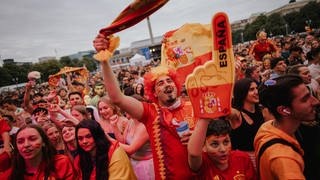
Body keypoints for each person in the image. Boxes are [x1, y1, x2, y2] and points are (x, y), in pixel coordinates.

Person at [93, 34, 195, 179]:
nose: (167, 84)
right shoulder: (151, 112)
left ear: (176, 85)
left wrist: (197, 139)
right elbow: (117, 98)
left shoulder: (194, 107)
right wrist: (104, 60)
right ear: (154, 92)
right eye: (160, 83)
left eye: (169, 81)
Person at [254, 75, 320, 179]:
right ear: (284, 110)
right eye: (305, 99)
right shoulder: (283, 158)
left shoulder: (268, 127)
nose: (316, 101)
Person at [0, 124, 76, 179]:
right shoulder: (9, 175)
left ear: (43, 142)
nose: (26, 145)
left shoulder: (61, 163)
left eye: (32, 139)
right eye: (20, 141)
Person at [188, 118, 256, 180]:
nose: (223, 149)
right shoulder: (202, 164)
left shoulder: (243, 159)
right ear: (203, 147)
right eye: (215, 144)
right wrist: (205, 117)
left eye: (226, 142)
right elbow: (194, 155)